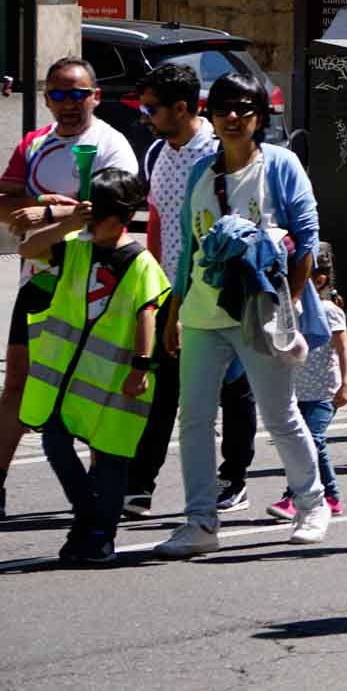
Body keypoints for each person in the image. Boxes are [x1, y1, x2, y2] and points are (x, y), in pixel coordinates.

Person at [154, 70, 332, 558]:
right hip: (202, 314)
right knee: (192, 419)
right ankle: (199, 522)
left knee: (279, 414)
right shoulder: (201, 173)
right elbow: (190, 247)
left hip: (261, 314)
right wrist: (173, 312)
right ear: (211, 115)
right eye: (224, 109)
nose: (233, 117)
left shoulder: (280, 165)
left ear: (260, 117)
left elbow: (307, 241)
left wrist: (289, 307)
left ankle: (312, 504)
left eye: (245, 109)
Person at [0, 56, 138, 517]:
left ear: (96, 96)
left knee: (92, 388)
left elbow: (115, 208)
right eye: (59, 94)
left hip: (92, 286)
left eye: (79, 93)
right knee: (17, 383)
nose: (69, 103)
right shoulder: (34, 143)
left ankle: (99, 491)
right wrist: (44, 203)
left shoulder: (111, 144)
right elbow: (5, 204)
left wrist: (46, 216)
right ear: (46, 99)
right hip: (39, 279)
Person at [16, 169, 164, 563]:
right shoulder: (75, 245)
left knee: (112, 457)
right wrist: (67, 221)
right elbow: (28, 250)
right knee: (54, 440)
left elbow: (145, 313)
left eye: (98, 215)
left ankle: (101, 535)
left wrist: (141, 367)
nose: (91, 222)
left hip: (117, 380)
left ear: (119, 219)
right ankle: (88, 517)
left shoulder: (140, 260)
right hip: (70, 379)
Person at [124, 62, 216, 517]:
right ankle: (140, 485)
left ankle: (236, 476)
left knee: (233, 394)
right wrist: (158, 284)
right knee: (163, 389)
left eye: (153, 108)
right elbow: (157, 219)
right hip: (170, 291)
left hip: (216, 291)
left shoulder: (217, 153)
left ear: (182, 108)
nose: (146, 116)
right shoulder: (157, 152)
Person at [271, 243, 347, 522]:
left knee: (312, 441)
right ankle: (329, 496)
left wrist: (346, 384)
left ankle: (297, 497)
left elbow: (344, 349)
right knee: (306, 444)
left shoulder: (329, 310)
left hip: (323, 394)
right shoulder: (291, 308)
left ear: (319, 279)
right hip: (298, 392)